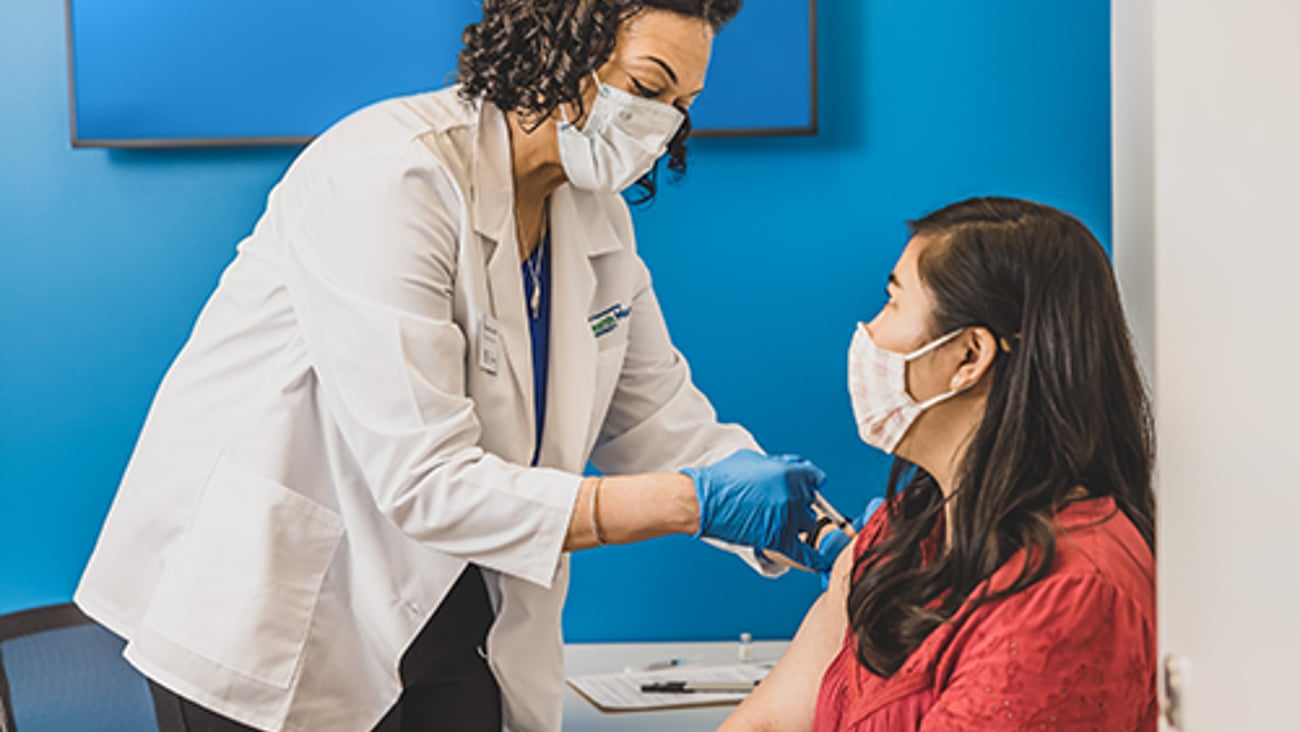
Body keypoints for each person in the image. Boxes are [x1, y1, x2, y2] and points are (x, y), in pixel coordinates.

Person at [73, 2, 836, 731]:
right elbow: (425, 481)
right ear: (557, 43)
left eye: (680, 101)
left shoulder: (594, 216)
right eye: (645, 87)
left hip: (452, 604)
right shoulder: (389, 174)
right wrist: (689, 503)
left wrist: (815, 530)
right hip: (274, 602)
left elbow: (660, 420)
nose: (660, 123)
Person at [721, 197, 1158, 730]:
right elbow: (767, 722)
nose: (868, 332)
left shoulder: (1069, 594)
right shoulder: (909, 528)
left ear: (968, 357)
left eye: (891, 302)